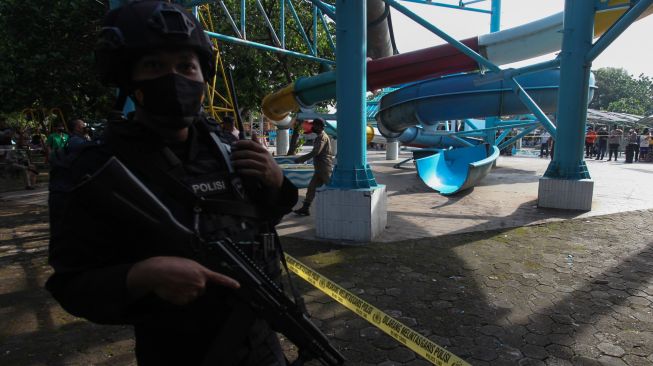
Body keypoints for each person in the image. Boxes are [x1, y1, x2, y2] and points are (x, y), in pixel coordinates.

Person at [46, 2, 298, 365]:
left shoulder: (229, 151)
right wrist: (140, 276)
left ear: (201, 75)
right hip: (177, 351)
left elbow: (258, 226)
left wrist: (277, 183)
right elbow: (72, 286)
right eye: (154, 66)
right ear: (128, 78)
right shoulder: (94, 169)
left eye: (186, 66)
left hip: (260, 346)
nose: (174, 78)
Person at [293, 118, 333, 216]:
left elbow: (316, 152)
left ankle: (337, 207)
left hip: (324, 168)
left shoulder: (322, 137)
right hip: (320, 169)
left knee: (331, 188)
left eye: (314, 125)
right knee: (311, 188)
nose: (312, 127)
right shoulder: (320, 136)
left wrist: (301, 159)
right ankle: (305, 208)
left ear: (320, 126)